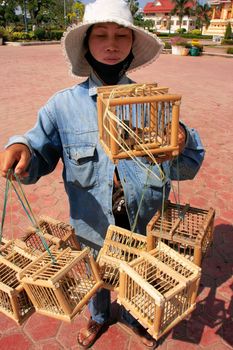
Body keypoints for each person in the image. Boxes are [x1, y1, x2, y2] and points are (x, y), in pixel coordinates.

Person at [0, 0, 205, 348]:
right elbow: (38, 152)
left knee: (138, 271)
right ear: (86, 44)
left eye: (121, 36)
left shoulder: (151, 103)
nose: (111, 44)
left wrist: (181, 140)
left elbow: (186, 166)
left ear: (130, 44)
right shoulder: (61, 106)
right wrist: (21, 150)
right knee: (96, 270)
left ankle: (132, 314)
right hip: (93, 221)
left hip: (144, 216)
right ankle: (97, 316)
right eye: (101, 36)